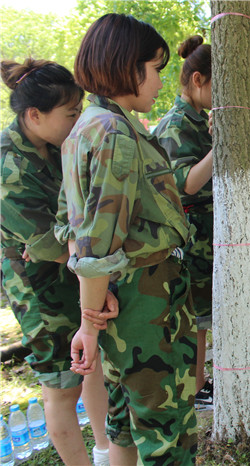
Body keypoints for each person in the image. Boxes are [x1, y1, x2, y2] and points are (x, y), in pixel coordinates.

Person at [63, 13, 197, 464]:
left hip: (129, 292)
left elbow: (71, 224)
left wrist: (97, 306)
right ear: (127, 66)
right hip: (145, 300)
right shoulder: (113, 132)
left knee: (126, 420)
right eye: (156, 69)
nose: (161, 81)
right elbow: (95, 244)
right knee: (166, 432)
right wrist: (89, 319)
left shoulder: (91, 124)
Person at [1, 58, 113, 466]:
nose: (78, 119)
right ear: (34, 115)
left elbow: (71, 220)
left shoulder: (55, 145)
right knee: (62, 385)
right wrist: (65, 244)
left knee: (91, 362)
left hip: (77, 271)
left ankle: (105, 452)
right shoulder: (6, 164)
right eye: (70, 113)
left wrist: (63, 242)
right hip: (38, 286)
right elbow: (47, 242)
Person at [153, 34, 213, 410]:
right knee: (192, 320)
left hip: (204, 235)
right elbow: (186, 182)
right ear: (197, 80)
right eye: (217, 87)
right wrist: (222, 144)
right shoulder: (177, 124)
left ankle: (199, 385)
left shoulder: (197, 119)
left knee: (202, 318)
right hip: (189, 239)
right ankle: (193, 389)